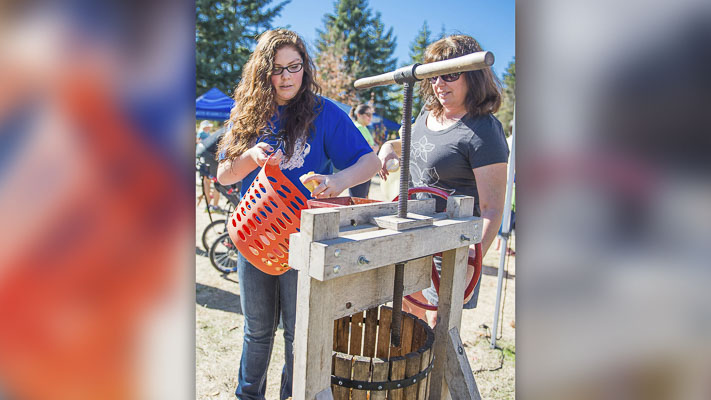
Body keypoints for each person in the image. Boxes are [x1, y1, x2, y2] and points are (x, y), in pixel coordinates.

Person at [215, 29, 380, 400]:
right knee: (256, 330)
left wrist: (337, 180)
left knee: (297, 330)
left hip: (302, 239)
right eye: (277, 69)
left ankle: (292, 396)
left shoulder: (324, 113)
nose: (287, 77)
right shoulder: (248, 112)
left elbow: (369, 161)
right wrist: (250, 158)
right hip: (254, 235)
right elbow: (223, 173)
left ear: (305, 68)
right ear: (263, 72)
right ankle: (248, 396)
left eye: (294, 67)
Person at [378, 34, 509, 327]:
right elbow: (417, 145)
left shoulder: (484, 130)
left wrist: (469, 263)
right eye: (434, 75)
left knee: (439, 333)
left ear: (474, 77)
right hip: (411, 237)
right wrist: (390, 147)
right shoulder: (428, 113)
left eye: (450, 74)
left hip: (451, 250)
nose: (439, 84)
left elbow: (492, 208)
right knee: (408, 322)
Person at [348, 104, 378, 198]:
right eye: (367, 114)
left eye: (371, 114)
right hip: (358, 169)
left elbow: (370, 146)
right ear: (359, 115)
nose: (370, 117)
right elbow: (365, 148)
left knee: (362, 198)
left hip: (364, 169)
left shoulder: (364, 128)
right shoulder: (358, 128)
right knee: (358, 199)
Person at [196, 120, 222, 212]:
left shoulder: (207, 134)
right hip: (209, 157)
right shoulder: (202, 134)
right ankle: (213, 205)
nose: (209, 128)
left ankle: (209, 204)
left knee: (208, 181)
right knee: (213, 181)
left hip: (203, 156)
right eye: (207, 127)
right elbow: (198, 141)